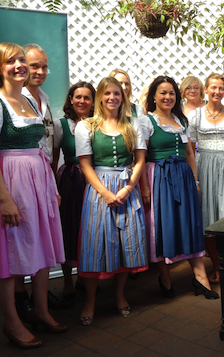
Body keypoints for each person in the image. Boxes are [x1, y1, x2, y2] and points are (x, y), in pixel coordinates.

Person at [0, 42, 67, 349]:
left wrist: (51, 186)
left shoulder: (28, 98)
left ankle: (40, 311)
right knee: (8, 255)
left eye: (22, 60)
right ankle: (12, 323)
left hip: (37, 181)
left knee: (39, 246)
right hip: (11, 183)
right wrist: (5, 199)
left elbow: (41, 146)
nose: (19, 65)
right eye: (10, 61)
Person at [75, 77, 148, 325]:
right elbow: (85, 164)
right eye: (107, 93)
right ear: (100, 97)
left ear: (123, 97)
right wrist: (105, 193)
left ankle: (119, 295)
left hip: (127, 187)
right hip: (99, 189)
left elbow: (139, 160)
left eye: (116, 93)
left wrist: (128, 188)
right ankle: (90, 301)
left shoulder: (133, 125)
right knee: (95, 243)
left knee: (126, 242)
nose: (112, 98)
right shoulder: (86, 126)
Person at [141, 76, 218, 299]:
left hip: (183, 177)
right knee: (163, 226)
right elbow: (141, 157)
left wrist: (194, 180)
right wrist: (145, 188)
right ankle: (165, 278)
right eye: (163, 93)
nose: (168, 97)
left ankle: (200, 276)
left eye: (172, 93)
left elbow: (189, 153)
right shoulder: (147, 122)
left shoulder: (181, 120)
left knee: (189, 224)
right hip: (159, 177)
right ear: (154, 96)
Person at [17, 43, 70, 313]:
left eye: (43, 66)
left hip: (44, 176)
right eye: (34, 65)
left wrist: (52, 182)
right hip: (22, 179)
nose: (39, 71)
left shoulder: (45, 99)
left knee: (40, 237)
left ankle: (37, 299)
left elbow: (48, 145)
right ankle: (20, 298)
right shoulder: (14, 98)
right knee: (20, 237)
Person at [188, 73, 224, 285]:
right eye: (213, 88)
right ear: (206, 89)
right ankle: (216, 265)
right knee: (207, 218)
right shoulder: (195, 116)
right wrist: (194, 178)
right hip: (203, 168)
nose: (217, 92)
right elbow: (190, 150)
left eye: (221, 88)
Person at [51, 81, 95, 299]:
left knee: (89, 229)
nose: (82, 101)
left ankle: (85, 277)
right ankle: (68, 279)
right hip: (69, 181)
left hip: (94, 180)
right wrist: (51, 185)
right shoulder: (61, 125)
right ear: (70, 99)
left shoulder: (99, 124)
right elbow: (53, 158)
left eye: (87, 97)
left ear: (93, 101)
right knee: (69, 228)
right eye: (78, 97)